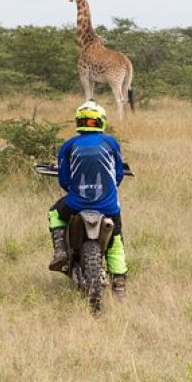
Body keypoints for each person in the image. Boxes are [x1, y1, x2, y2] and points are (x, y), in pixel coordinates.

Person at [47, 100, 128, 297]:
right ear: (101, 121)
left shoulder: (69, 145)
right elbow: (118, 175)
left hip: (76, 204)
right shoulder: (111, 142)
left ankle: (60, 251)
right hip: (108, 206)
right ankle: (118, 282)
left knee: (54, 212)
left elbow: (64, 181)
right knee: (115, 239)